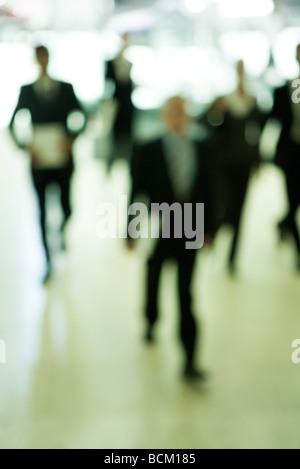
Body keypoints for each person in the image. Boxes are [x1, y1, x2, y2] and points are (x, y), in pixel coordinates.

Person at [127, 96, 215, 385]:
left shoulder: (201, 148)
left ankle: (190, 360)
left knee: (186, 293)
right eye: (172, 112)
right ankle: (151, 319)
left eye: (182, 112)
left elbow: (210, 190)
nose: (178, 117)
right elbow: (137, 190)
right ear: (164, 117)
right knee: (154, 271)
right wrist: (131, 229)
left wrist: (209, 229)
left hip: (190, 226)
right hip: (165, 223)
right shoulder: (149, 149)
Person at [9, 45, 85, 283]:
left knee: (66, 205)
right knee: (41, 209)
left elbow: (81, 116)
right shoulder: (26, 90)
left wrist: (71, 139)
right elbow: (12, 123)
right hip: (39, 159)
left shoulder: (65, 88)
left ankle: (61, 232)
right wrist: (25, 147)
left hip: (61, 158)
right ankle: (48, 261)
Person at [206, 60, 264, 275]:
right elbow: (208, 123)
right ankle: (213, 236)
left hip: (244, 162)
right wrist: (217, 111)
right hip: (224, 163)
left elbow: (256, 134)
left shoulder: (252, 102)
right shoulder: (224, 100)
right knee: (225, 207)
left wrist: (258, 162)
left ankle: (232, 258)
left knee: (240, 211)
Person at [269, 44, 300, 271]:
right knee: (292, 201)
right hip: (292, 154)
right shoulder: (284, 89)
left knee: (294, 206)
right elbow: (272, 119)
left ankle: (282, 222)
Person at [105, 33, 135, 170]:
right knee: (113, 139)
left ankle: (128, 165)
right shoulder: (111, 63)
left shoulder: (129, 63)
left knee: (128, 139)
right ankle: (109, 166)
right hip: (115, 106)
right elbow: (107, 85)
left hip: (128, 106)